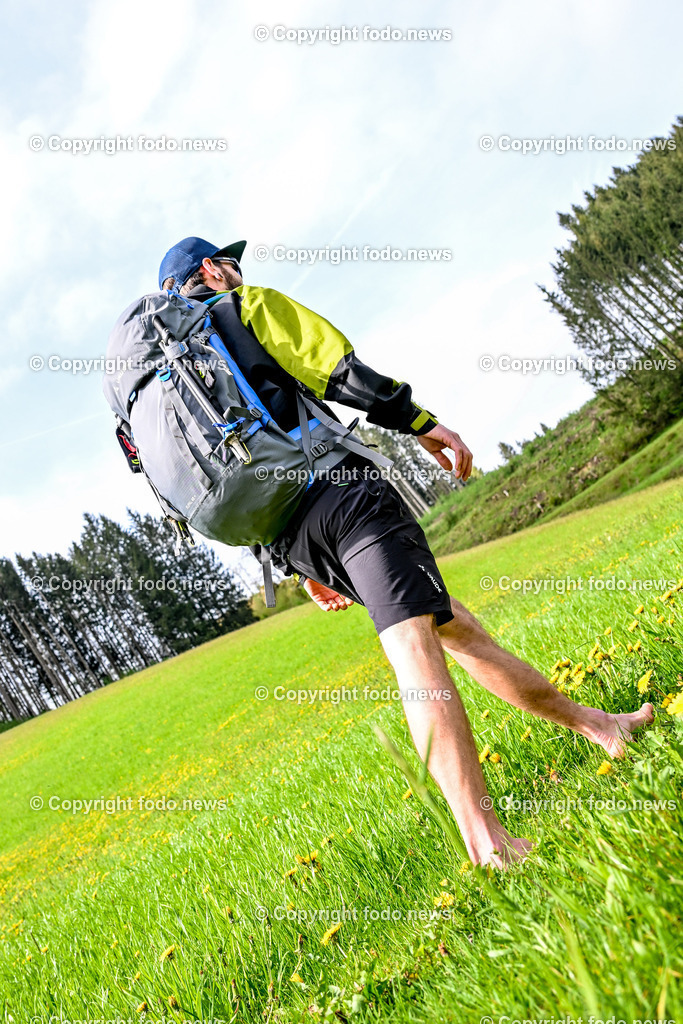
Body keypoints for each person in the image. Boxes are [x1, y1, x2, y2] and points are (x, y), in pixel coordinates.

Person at [157, 236, 654, 869]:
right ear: (209, 271)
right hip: (348, 501)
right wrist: (422, 423)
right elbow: (338, 370)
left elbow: (213, 483)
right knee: (416, 652)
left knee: (455, 626)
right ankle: (487, 843)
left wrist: (295, 559)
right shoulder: (245, 308)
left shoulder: (174, 381)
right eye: (231, 262)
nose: (239, 270)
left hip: (297, 534)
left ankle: (599, 727)